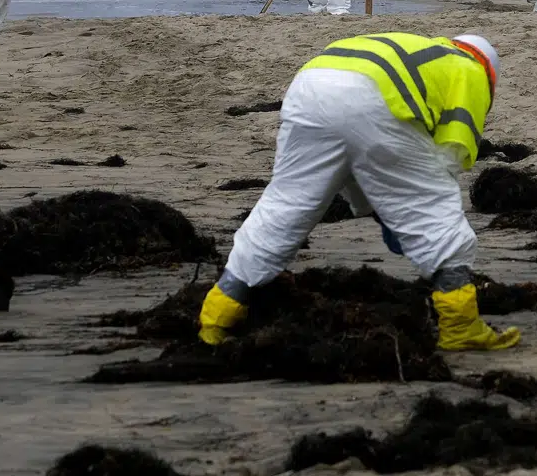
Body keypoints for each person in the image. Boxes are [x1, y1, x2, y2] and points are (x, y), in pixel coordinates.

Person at [197, 32, 520, 352]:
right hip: (372, 97)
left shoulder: (424, 50)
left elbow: (364, 166)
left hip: (310, 85)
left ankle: (216, 316)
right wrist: (418, 219)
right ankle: (461, 327)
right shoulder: (470, 69)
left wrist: (387, 213)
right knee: (435, 210)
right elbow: (450, 154)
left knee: (285, 205)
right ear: (490, 71)